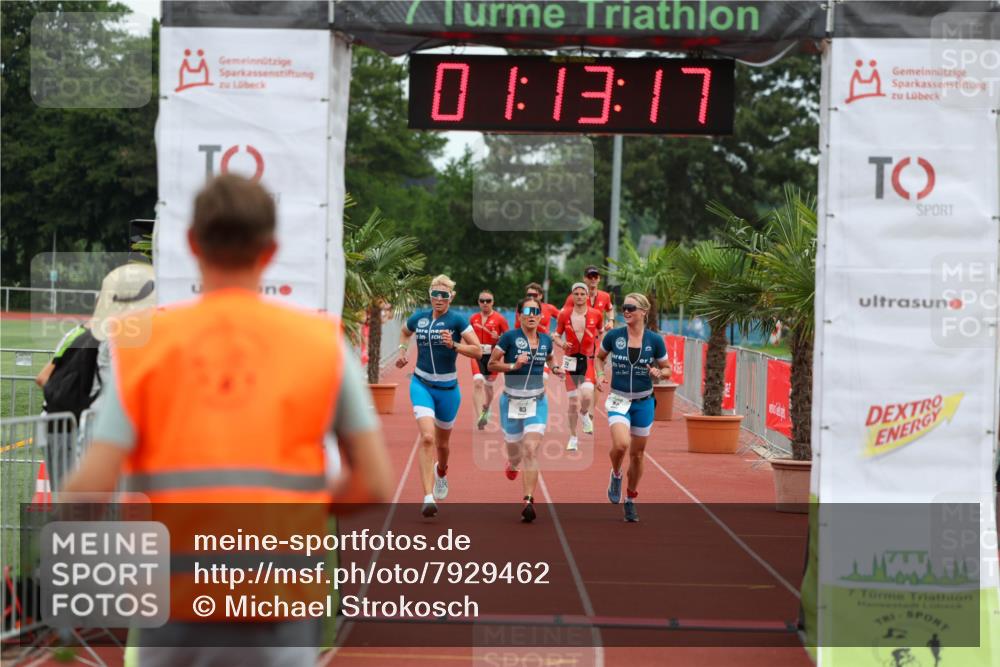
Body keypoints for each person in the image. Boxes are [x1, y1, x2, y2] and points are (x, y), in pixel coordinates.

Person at [63, 175, 394, 667]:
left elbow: (87, 491)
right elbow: (376, 483)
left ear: (193, 242)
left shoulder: (145, 346)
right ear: (271, 248)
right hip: (278, 598)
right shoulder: (321, 345)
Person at [396, 275, 482, 518]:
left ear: (451, 297)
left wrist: (455, 345)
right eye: (435, 294)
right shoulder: (419, 317)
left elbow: (477, 351)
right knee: (426, 437)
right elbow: (404, 332)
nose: (439, 299)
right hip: (421, 384)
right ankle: (427, 496)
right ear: (430, 295)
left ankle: (441, 472)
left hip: (448, 391)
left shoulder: (457, 320)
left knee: (443, 445)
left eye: (444, 295)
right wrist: (403, 351)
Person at [594, 293, 670, 523]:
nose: (625, 311)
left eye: (631, 308)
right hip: (618, 399)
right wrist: (598, 375)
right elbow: (599, 358)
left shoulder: (654, 340)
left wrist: (659, 372)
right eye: (623, 308)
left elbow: (667, 369)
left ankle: (630, 499)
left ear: (643, 312)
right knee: (621, 444)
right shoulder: (614, 336)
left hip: (643, 402)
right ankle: (616, 474)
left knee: (637, 455)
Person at [488, 296, 564, 522]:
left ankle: (528, 500)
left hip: (537, 401)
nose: (531, 315)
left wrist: (557, 368)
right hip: (510, 402)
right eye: (527, 311)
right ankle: (512, 463)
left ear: (541, 316)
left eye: (535, 312)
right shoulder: (509, 338)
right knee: (515, 453)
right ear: (519, 315)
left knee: (530, 449)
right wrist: (514, 365)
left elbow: (551, 359)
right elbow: (491, 364)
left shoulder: (546, 340)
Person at [554, 283, 602, 451]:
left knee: (587, 396)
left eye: (583, 293)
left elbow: (600, 332)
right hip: (570, 361)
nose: (580, 296)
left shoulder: (596, 314)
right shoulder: (564, 314)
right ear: (572, 296)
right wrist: (562, 343)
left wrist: (598, 353)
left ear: (587, 296)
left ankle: (584, 414)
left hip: (587, 360)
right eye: (576, 293)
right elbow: (556, 335)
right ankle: (573, 437)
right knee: (573, 402)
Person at [470, 289, 510, 430]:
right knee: (478, 382)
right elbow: (467, 336)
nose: (485, 303)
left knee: (488, 386)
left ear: (493, 302)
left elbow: (509, 340)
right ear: (478, 302)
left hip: (493, 357)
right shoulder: (473, 318)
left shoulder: (500, 319)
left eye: (488, 301)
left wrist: (498, 338)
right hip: (477, 354)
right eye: (482, 301)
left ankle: (486, 407)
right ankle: (480, 416)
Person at [563, 265, 614, 332]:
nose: (593, 279)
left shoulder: (605, 296)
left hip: (598, 339)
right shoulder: (573, 297)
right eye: (590, 276)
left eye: (595, 277)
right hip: (579, 339)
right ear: (584, 278)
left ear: (599, 279)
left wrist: (611, 321)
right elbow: (562, 316)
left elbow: (609, 309)